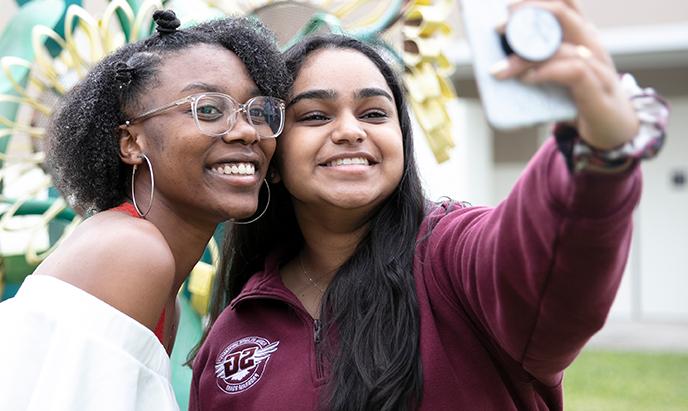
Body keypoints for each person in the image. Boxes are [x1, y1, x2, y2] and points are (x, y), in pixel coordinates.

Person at [190, 1, 669, 410]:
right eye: (315, 115)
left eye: (375, 113)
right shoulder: (237, 327)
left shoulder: (454, 258)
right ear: (272, 158)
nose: (352, 130)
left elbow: (546, 265)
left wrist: (597, 148)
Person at [0, 10, 288, 411]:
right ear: (132, 143)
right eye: (207, 110)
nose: (246, 131)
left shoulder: (148, 261)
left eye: (258, 112)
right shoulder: (131, 252)